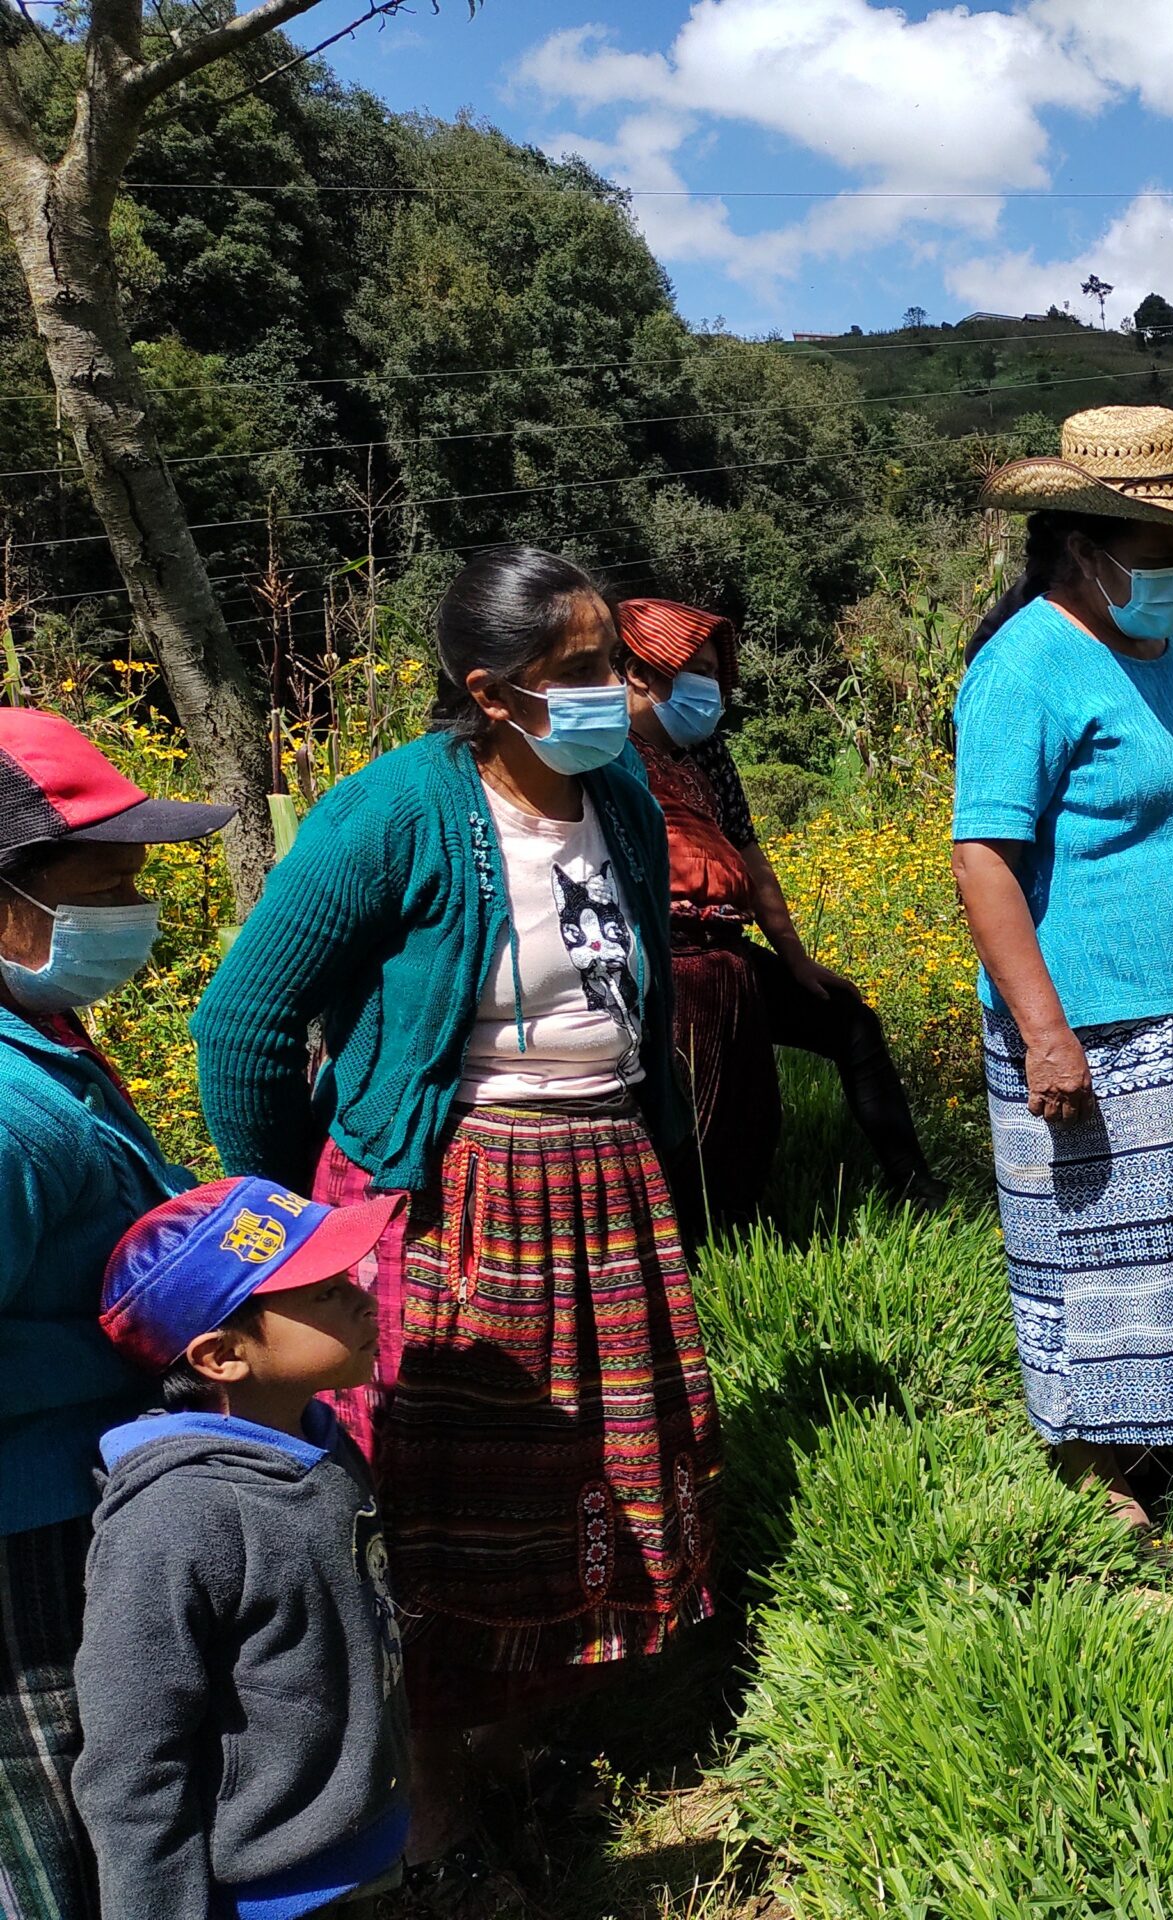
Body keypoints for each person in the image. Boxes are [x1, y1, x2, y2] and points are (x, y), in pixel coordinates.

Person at [190, 547, 720, 1889]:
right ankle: (429, 1790)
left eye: (615, 660)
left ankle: (522, 1744)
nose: (615, 692)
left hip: (604, 1179)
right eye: (583, 670)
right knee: (445, 1495)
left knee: (585, 1473)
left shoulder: (620, 802)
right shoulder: (397, 814)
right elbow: (243, 1020)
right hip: (462, 1198)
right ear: (491, 694)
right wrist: (296, 1217)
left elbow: (640, 988)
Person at [953, 405, 1173, 1529]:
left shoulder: (1171, 656)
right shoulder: (1027, 666)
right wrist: (1045, 1029)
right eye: (1164, 555)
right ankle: (1098, 1480)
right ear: (1086, 552)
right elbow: (984, 855)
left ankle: (1172, 1441)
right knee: (1092, 1258)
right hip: (1096, 1022)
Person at [0, 709, 231, 1920]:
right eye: (108, 884)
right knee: (60, 1841)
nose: (137, 910)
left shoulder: (36, 1037)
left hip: (73, 1497)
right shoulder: (2, 1115)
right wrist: (119, 1343)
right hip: (23, 1544)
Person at [74, 1177, 409, 1920]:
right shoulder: (175, 1520)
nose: (362, 1296)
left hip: (358, 1850)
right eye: (323, 1294)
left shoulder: (319, 1444)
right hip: (266, 1892)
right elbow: (133, 1765)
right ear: (222, 1354)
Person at [616, 596, 942, 1219]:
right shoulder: (604, 752)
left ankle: (915, 1184)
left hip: (726, 949)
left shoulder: (706, 752)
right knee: (695, 1109)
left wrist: (795, 959)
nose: (712, 689)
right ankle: (687, 1231)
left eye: (716, 674)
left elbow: (749, 855)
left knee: (848, 1021)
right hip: (653, 958)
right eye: (699, 671)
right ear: (640, 672)